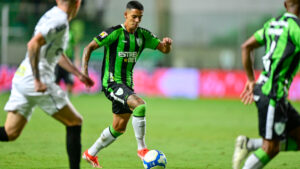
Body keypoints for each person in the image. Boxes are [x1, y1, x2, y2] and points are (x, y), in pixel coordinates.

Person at [0, 1, 94, 169]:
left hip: (22, 77)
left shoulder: (52, 14)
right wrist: (37, 79)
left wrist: (78, 74)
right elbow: (33, 44)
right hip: (36, 80)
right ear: (78, 3)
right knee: (75, 122)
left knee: (10, 133)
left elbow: (56, 53)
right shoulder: (59, 21)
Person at [80, 1, 172, 168]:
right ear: (126, 15)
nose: (137, 20)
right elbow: (89, 47)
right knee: (140, 106)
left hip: (127, 85)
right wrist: (84, 72)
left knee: (118, 128)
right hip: (112, 83)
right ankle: (142, 149)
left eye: (140, 17)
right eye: (134, 17)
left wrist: (167, 45)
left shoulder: (143, 35)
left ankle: (90, 154)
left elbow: (163, 49)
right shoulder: (114, 33)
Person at [232, 0, 300, 168]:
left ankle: (248, 144)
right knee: (270, 148)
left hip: (268, 91)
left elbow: (246, 46)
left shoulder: (272, 24)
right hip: (271, 95)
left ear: (285, 4)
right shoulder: (296, 28)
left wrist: (250, 79)